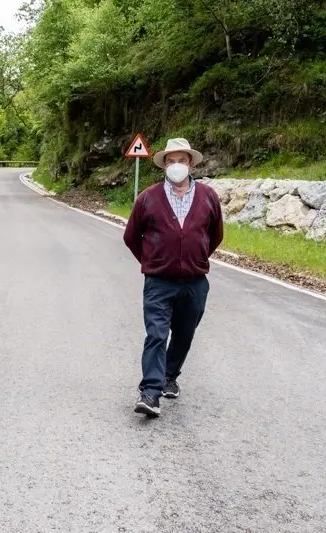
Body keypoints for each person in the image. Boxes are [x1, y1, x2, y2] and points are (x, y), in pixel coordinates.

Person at [123, 138, 223, 417]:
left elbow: (215, 235)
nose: (176, 166)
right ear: (163, 165)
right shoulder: (148, 198)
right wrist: (152, 261)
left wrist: (196, 257)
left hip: (195, 282)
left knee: (184, 333)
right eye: (170, 161)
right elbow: (131, 237)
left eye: (181, 160)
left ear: (191, 164)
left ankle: (169, 375)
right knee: (156, 334)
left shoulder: (208, 197)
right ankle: (151, 393)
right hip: (159, 281)